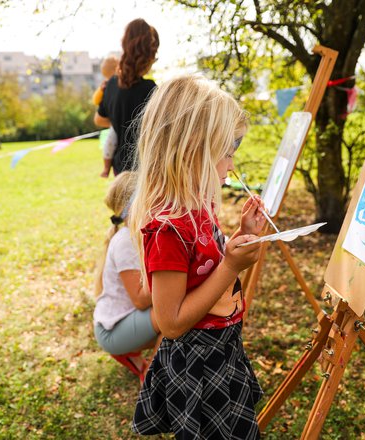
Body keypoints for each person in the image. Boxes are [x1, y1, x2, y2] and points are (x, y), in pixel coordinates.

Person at [129, 76, 267, 439]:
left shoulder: (201, 208)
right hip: (199, 368)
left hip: (222, 354)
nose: (232, 166)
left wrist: (240, 236)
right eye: (228, 151)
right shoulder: (168, 229)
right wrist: (231, 266)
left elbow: (206, 267)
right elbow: (170, 323)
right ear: (194, 149)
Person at [93, 171, 160, 381]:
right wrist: (172, 276)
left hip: (125, 319)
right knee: (173, 314)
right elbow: (140, 300)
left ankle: (142, 365)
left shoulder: (140, 234)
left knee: (174, 307)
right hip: (112, 330)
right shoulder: (125, 241)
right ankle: (153, 381)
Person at [94, 19, 159, 175]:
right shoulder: (150, 90)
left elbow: (99, 119)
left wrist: (120, 118)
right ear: (148, 57)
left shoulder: (111, 85)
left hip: (120, 172)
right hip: (144, 172)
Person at [92, 56, 120, 178]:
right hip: (113, 121)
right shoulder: (108, 85)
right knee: (109, 143)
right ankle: (106, 168)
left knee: (110, 142)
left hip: (115, 120)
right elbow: (95, 100)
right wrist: (102, 90)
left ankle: (106, 167)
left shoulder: (119, 82)